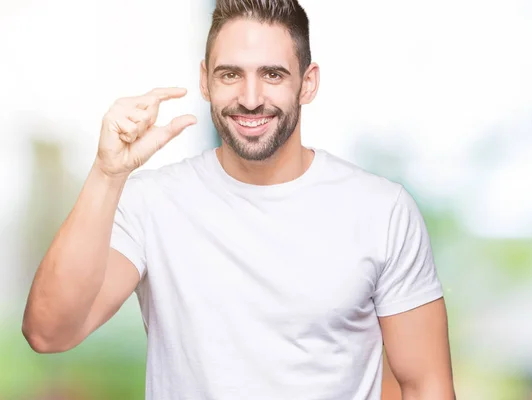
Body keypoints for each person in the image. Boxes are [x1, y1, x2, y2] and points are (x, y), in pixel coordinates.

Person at [22, 0, 455, 399]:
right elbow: (48, 332)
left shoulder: (382, 210)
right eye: (231, 74)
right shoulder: (150, 203)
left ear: (308, 83)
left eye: (272, 74)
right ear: (204, 81)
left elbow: (426, 385)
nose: (250, 99)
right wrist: (107, 173)